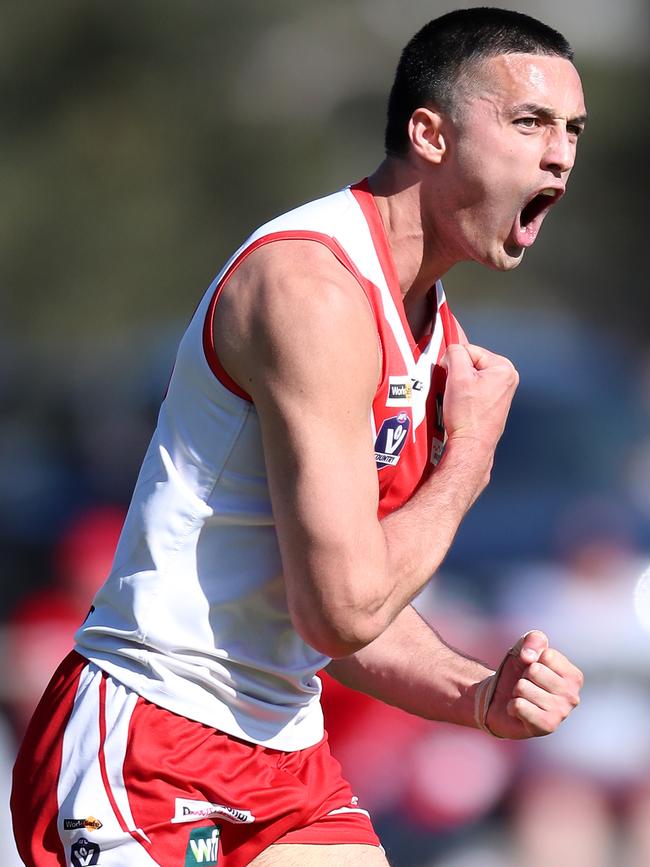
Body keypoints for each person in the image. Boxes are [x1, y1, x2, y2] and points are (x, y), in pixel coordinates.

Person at [12, 8, 587, 867]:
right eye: (530, 122)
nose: (561, 155)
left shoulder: (439, 342)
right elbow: (344, 606)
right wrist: (469, 459)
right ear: (429, 134)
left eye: (574, 129)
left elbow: (345, 623)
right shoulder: (311, 287)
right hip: (149, 740)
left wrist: (480, 697)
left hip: (285, 756)